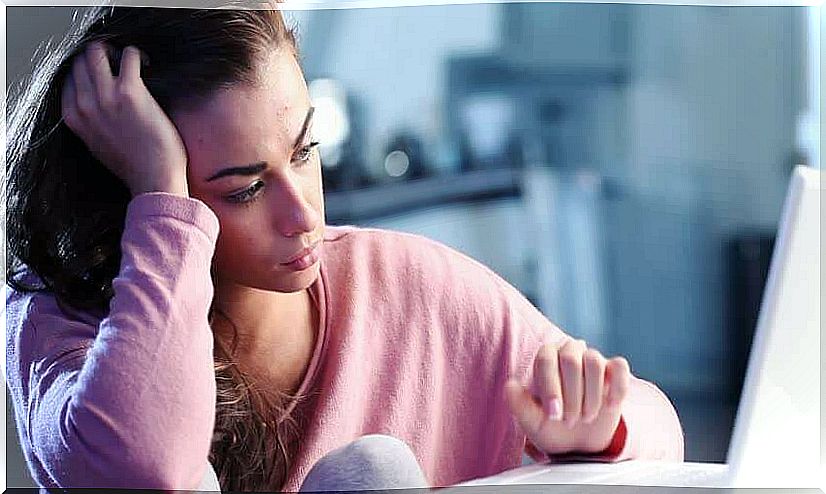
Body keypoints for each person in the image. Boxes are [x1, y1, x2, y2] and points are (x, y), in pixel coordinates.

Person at [4, 3, 685, 493]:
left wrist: (596, 432)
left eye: (304, 151)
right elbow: (143, 467)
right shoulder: (57, 325)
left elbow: (658, 427)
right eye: (243, 188)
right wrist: (161, 194)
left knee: (372, 472)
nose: (304, 216)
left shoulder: (400, 280)